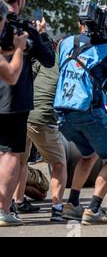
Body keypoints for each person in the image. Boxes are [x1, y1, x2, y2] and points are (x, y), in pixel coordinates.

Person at [54, 20, 107, 225]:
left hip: (63, 112)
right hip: (88, 111)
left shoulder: (66, 42)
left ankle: (72, 204)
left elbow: (89, 65)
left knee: (89, 154)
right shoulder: (104, 48)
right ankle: (93, 209)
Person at [0, 0, 55, 227]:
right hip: (13, 99)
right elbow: (49, 59)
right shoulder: (23, 28)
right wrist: (40, 34)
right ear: (20, 0)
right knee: (12, 153)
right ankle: (4, 209)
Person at [15, 59, 67, 222]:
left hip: (21, 114)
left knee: (18, 162)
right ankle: (57, 210)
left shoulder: (38, 62)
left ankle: (16, 204)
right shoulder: (68, 64)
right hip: (41, 119)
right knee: (59, 164)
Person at [0, 0, 29, 227]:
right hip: (8, 108)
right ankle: (4, 210)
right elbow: (11, 74)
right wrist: (19, 48)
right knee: (10, 154)